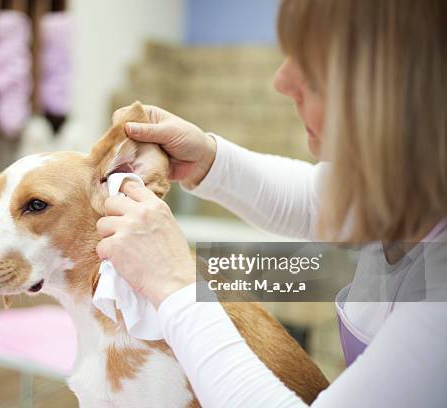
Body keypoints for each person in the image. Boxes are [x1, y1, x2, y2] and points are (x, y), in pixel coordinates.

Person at [95, 0, 447, 407]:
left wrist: (174, 283)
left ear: (395, 102)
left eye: (313, 75)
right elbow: (314, 199)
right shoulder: (410, 188)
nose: (282, 81)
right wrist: (206, 159)